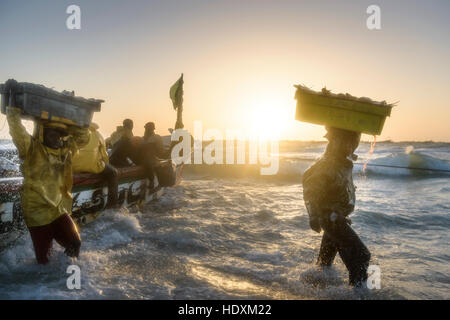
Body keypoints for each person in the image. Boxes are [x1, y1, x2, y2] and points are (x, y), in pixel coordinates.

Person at [6, 93, 90, 264]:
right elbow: (15, 127)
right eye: (53, 133)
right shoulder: (31, 148)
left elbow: (83, 138)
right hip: (36, 211)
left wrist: (75, 120)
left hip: (58, 209)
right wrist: (12, 103)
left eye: (60, 134)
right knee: (45, 260)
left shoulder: (64, 152)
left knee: (75, 243)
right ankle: (45, 287)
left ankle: (68, 279)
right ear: (43, 132)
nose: (57, 137)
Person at [302, 126, 371, 287]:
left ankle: (313, 286)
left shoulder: (343, 161)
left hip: (337, 218)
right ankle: (359, 295)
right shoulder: (327, 163)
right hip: (331, 218)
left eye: (354, 142)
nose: (351, 146)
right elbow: (309, 186)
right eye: (346, 142)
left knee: (324, 264)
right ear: (336, 142)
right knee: (361, 255)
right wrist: (313, 215)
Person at [71, 123, 119, 208]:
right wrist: (106, 164)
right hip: (93, 166)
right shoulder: (98, 134)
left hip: (72, 167)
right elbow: (105, 156)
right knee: (114, 172)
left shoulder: (72, 132)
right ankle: (113, 204)